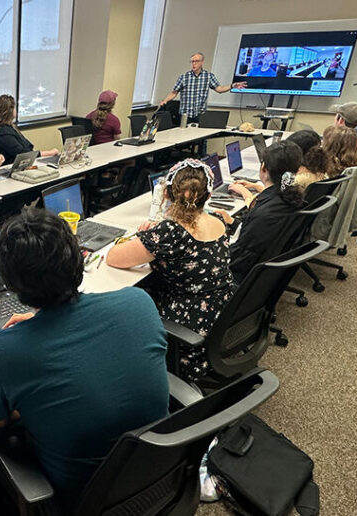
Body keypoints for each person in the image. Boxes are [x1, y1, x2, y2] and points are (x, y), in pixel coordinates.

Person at [0, 208, 169, 516]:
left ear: (11, 286)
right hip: (157, 473)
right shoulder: (139, 303)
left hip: (80, 500)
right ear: (79, 258)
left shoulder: (3, 350)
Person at [108, 160, 235, 380]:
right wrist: (155, 235)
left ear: (167, 194)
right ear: (208, 194)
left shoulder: (170, 232)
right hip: (223, 317)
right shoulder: (218, 221)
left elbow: (113, 258)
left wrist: (146, 237)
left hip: (189, 328)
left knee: (124, 302)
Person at [221, 142, 307, 282]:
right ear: (297, 171)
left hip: (235, 279)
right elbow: (254, 239)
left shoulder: (265, 213)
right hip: (263, 277)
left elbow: (238, 258)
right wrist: (233, 222)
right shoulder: (293, 199)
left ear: (263, 168)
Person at [159, 52, 247, 125]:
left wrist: (232, 86)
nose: (194, 63)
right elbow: (174, 92)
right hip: (185, 115)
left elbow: (219, 89)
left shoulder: (208, 76)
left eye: (196, 61)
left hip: (200, 114)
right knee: (184, 138)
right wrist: (165, 100)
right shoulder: (184, 77)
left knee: (201, 140)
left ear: (202, 62)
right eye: (192, 61)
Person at [0, 95, 58, 164]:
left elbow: (27, 147)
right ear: (9, 111)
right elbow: (24, 154)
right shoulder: (2, 132)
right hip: (12, 167)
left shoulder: (7, 127)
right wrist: (50, 153)